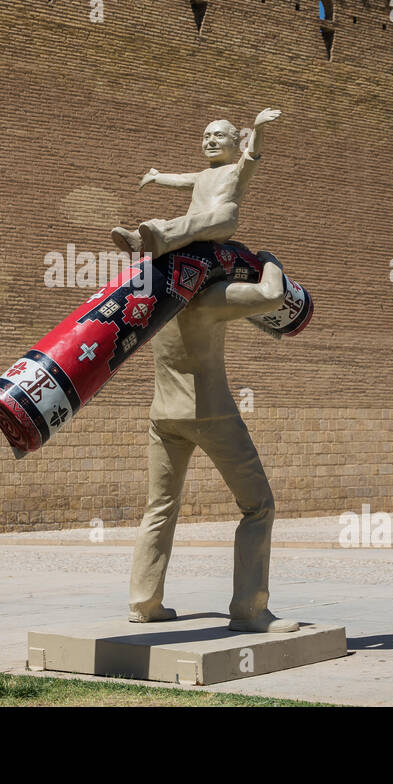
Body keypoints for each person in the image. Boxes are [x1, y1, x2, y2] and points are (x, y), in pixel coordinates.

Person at [128, 250, 299, 633]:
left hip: (163, 414)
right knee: (258, 506)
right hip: (211, 412)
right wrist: (271, 261)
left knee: (159, 507)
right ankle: (250, 610)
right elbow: (272, 295)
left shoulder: (161, 299)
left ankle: (144, 602)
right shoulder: (210, 297)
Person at [111, 108, 281, 260]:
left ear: (236, 143)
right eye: (206, 137)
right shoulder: (202, 175)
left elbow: (252, 154)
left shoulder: (237, 171)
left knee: (188, 224)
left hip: (221, 220)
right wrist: (157, 177)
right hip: (195, 222)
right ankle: (137, 241)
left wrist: (258, 128)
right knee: (178, 222)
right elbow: (179, 180)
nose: (211, 141)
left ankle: (157, 241)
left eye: (219, 136)